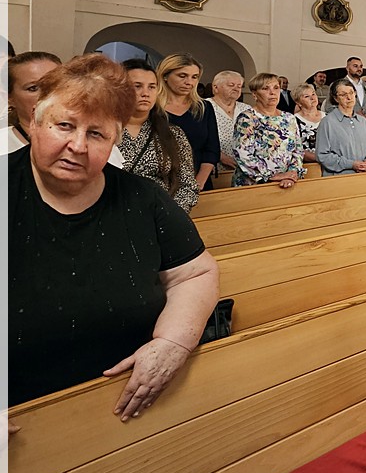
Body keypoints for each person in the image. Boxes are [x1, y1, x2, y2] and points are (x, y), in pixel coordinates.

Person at [8, 54, 219, 415]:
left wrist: (172, 342)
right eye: (64, 126)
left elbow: (195, 273)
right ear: (35, 122)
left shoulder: (144, 198)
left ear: (114, 140)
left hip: (132, 401)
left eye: (96, 133)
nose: (78, 145)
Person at [118, 59, 198, 212]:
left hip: (160, 214)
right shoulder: (101, 131)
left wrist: (167, 214)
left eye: (152, 87)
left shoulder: (173, 134)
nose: (145, 93)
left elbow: (188, 185)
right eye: (137, 86)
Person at [157, 53, 220, 191]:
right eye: (182, 76)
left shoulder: (203, 108)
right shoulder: (153, 109)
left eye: (194, 77)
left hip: (198, 182)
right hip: (159, 184)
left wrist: (198, 182)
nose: (189, 82)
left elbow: (212, 149)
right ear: (165, 76)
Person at [232, 73, 305, 189]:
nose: (272, 92)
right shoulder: (247, 118)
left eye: (276, 88)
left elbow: (298, 150)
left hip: (286, 182)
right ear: (255, 94)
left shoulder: (289, 118)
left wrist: (291, 173)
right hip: (253, 185)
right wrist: (272, 176)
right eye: (265, 88)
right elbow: (242, 153)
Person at [315, 79, 366, 176]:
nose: (349, 97)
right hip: (339, 178)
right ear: (336, 98)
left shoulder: (363, 121)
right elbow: (322, 155)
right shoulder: (327, 122)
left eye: (351, 93)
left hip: (364, 175)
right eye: (343, 95)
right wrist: (351, 164)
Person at [207, 70, 251, 179]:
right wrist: (220, 156)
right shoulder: (204, 107)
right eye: (231, 85)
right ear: (215, 88)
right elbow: (197, 138)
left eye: (239, 86)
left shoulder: (246, 109)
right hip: (213, 168)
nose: (236, 89)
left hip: (244, 169)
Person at [291, 82, 325, 163]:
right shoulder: (293, 120)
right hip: (308, 165)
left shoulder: (327, 117)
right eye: (307, 96)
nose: (312, 98)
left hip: (331, 163)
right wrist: (322, 159)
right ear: (298, 103)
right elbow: (295, 149)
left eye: (313, 94)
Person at [339, 57, 366, 122]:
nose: (359, 69)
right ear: (347, 68)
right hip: (345, 124)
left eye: (361, 66)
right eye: (355, 66)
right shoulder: (338, 85)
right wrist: (352, 114)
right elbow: (330, 108)